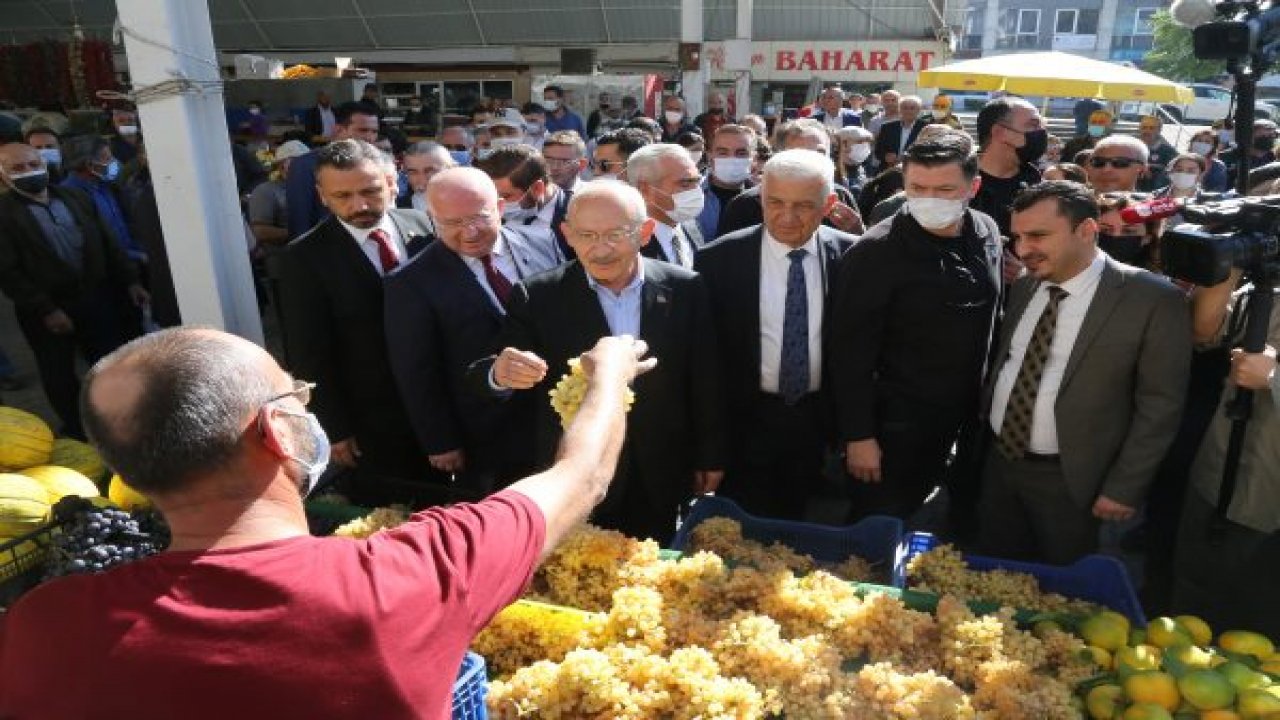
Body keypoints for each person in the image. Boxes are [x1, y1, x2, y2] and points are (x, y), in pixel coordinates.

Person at [0, 326, 652, 719]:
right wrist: (609, 376)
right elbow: (583, 476)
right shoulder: (410, 575)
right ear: (278, 432)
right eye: (296, 396)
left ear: (131, 477)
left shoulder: (42, 625)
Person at [470, 182, 724, 541]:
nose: (600, 249)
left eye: (615, 234)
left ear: (645, 231)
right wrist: (500, 373)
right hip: (577, 471)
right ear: (567, 235)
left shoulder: (685, 288)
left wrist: (709, 454)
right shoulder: (539, 295)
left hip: (659, 464)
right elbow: (491, 373)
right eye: (587, 235)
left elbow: (705, 378)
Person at [980, 180, 1191, 563]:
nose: (1022, 249)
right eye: (1018, 236)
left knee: (1067, 596)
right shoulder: (1028, 283)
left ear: (1088, 230)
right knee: (998, 578)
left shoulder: (1152, 299)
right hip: (1000, 465)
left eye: (1038, 235)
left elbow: (1160, 405)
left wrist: (1125, 487)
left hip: (1076, 483)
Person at [832, 134, 1003, 524]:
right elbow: (848, 353)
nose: (930, 199)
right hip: (895, 424)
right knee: (880, 521)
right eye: (917, 189)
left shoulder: (986, 230)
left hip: (967, 418)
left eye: (945, 189)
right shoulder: (876, 252)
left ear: (972, 187)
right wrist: (859, 437)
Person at [696, 149, 856, 520]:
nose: (786, 217)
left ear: (828, 203)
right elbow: (705, 362)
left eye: (802, 206)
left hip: (819, 423)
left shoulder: (852, 258)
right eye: (775, 202)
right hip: (746, 422)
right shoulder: (717, 261)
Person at [276, 140, 435, 504]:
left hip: (439, 405)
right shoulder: (304, 258)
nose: (358, 205)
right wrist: (334, 428)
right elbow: (308, 351)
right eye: (343, 196)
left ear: (393, 182)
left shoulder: (423, 226)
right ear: (322, 196)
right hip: (373, 421)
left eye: (370, 191)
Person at [385, 168, 561, 495]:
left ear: (500, 207)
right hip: (485, 435)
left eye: (480, 217)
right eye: (452, 223)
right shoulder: (410, 283)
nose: (470, 232)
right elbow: (416, 369)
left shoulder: (542, 242)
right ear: (431, 218)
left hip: (556, 420)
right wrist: (440, 440)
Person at [0, 143, 147, 437]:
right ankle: (80, 432)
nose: (29, 171)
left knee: (108, 363)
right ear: (2, 175)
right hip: (46, 310)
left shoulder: (74, 196)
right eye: (17, 168)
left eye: (33, 164)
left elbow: (107, 242)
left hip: (95, 296)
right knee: (59, 375)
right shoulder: (4, 214)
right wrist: (47, 309)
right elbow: (7, 271)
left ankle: (121, 423)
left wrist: (131, 280)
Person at [1173, 266, 1280, 638]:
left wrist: (1273, 379)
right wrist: (1226, 266)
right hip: (1217, 475)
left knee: (1254, 623)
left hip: (1268, 503)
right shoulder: (1269, 290)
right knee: (1189, 599)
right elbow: (1203, 330)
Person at [718, 119, 863, 237]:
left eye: (820, 152)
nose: (812, 160)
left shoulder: (841, 197)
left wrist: (858, 232)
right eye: (800, 153)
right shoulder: (745, 205)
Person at [285, 101, 380, 239]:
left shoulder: (377, 163)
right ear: (339, 130)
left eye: (374, 131)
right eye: (363, 130)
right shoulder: (305, 165)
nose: (370, 138)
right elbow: (300, 221)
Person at [476, 144, 573, 262]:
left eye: (506, 196)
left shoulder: (578, 214)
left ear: (537, 188)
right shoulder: (488, 217)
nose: (497, 204)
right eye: (491, 196)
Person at [971, 97, 1046, 237]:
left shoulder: (1035, 180)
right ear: (1000, 132)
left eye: (1042, 125)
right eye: (1033, 125)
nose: (1041, 132)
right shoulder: (959, 179)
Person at [628, 143, 705, 268]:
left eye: (697, 181)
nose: (695, 190)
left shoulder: (691, 225)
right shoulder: (630, 242)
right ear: (645, 189)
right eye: (685, 183)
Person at [698, 124, 757, 240]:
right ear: (709, 156)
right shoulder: (691, 195)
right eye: (723, 153)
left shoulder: (763, 198)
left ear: (753, 158)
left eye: (741, 153)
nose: (732, 159)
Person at [248, 140, 310, 247]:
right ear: (281, 167)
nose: (305, 167)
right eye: (296, 162)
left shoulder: (314, 187)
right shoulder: (266, 190)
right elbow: (259, 232)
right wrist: (301, 233)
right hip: (284, 253)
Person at [1095, 191, 1164, 271]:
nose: (1116, 236)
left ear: (1148, 237)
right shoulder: (1079, 273)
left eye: (1128, 231)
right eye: (1105, 230)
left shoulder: (1159, 281)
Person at [396, 140, 456, 215]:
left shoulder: (470, 203)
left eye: (430, 171)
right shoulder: (397, 210)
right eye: (413, 172)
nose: (422, 180)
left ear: (451, 169)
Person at [872, 95, 926, 169]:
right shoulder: (887, 127)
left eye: (912, 108)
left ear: (919, 110)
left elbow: (928, 153)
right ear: (899, 109)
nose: (908, 111)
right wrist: (885, 156)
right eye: (905, 108)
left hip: (915, 170)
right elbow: (878, 151)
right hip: (890, 170)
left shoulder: (926, 128)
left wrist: (906, 158)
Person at [1219, 118, 1277, 185]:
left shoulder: (1273, 158)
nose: (1269, 139)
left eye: (1272, 136)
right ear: (1250, 135)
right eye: (1263, 136)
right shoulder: (1227, 157)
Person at [1137, 115, 1178, 192]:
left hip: (1156, 195)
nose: (1147, 131)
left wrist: (1153, 168)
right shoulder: (1131, 148)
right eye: (1144, 127)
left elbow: (1174, 172)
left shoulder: (1169, 151)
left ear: (1159, 130)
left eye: (1151, 128)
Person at [836, 126, 875, 200]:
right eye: (860, 142)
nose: (865, 146)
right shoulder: (834, 172)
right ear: (844, 145)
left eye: (867, 143)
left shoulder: (863, 170)